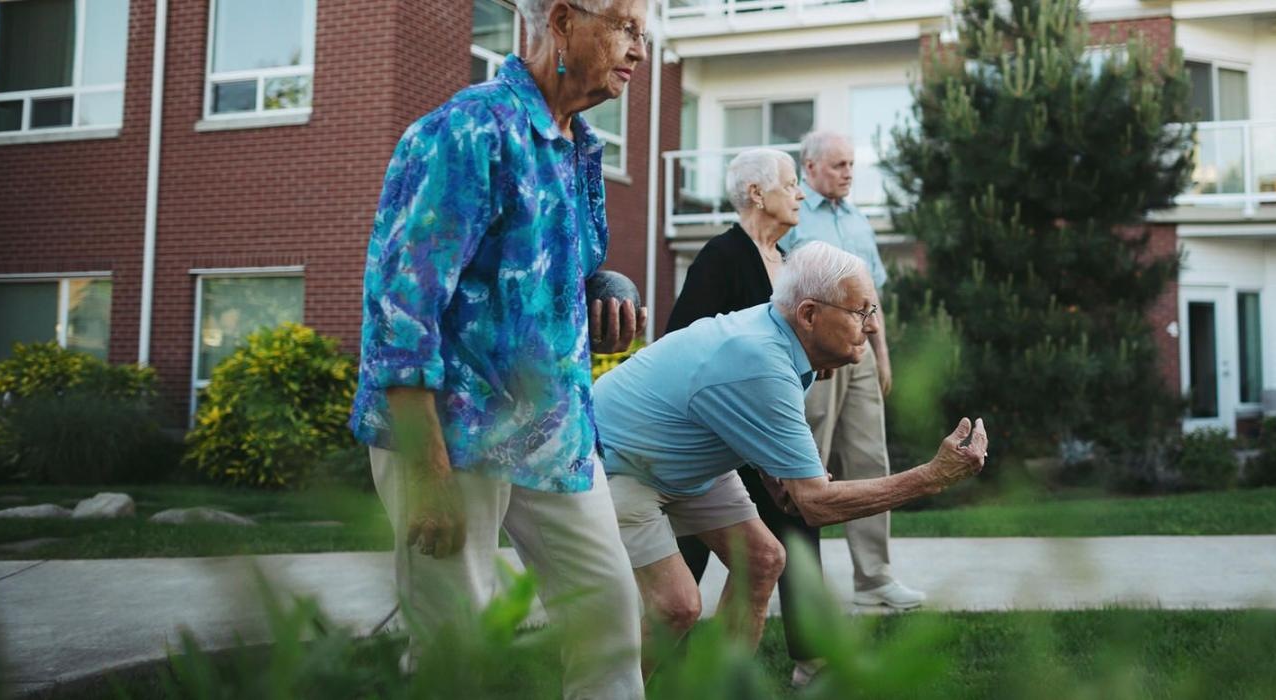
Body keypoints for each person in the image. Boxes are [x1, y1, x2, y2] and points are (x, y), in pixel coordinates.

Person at [349, 1, 649, 697]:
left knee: (609, 615)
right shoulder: (468, 129)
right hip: (452, 428)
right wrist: (426, 470)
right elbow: (401, 304)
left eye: (644, 35)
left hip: (552, 430)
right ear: (564, 20)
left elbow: (569, 266)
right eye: (626, 27)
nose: (639, 49)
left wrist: (607, 287)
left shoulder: (579, 145)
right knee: (457, 643)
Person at [592, 242, 989, 677]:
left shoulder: (783, 344)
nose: (873, 327)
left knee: (763, 561)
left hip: (682, 462)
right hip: (619, 460)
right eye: (861, 312)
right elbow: (815, 504)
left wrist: (773, 471)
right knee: (676, 605)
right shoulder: (764, 361)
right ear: (809, 314)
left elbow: (734, 411)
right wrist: (931, 478)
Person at [664, 148, 827, 686]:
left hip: (772, 433)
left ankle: (812, 661)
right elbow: (682, 346)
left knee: (799, 527)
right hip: (714, 440)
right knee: (692, 548)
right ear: (757, 194)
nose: (801, 192)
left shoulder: (792, 261)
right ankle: (659, 651)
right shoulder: (720, 258)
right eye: (791, 182)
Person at [780, 130, 924, 610]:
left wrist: (882, 355)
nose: (848, 174)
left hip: (860, 358)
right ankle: (797, 579)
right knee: (808, 465)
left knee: (869, 460)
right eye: (839, 165)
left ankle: (875, 577)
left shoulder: (858, 219)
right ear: (811, 167)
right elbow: (781, 295)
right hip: (816, 360)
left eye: (850, 166)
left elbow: (872, 294)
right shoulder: (795, 219)